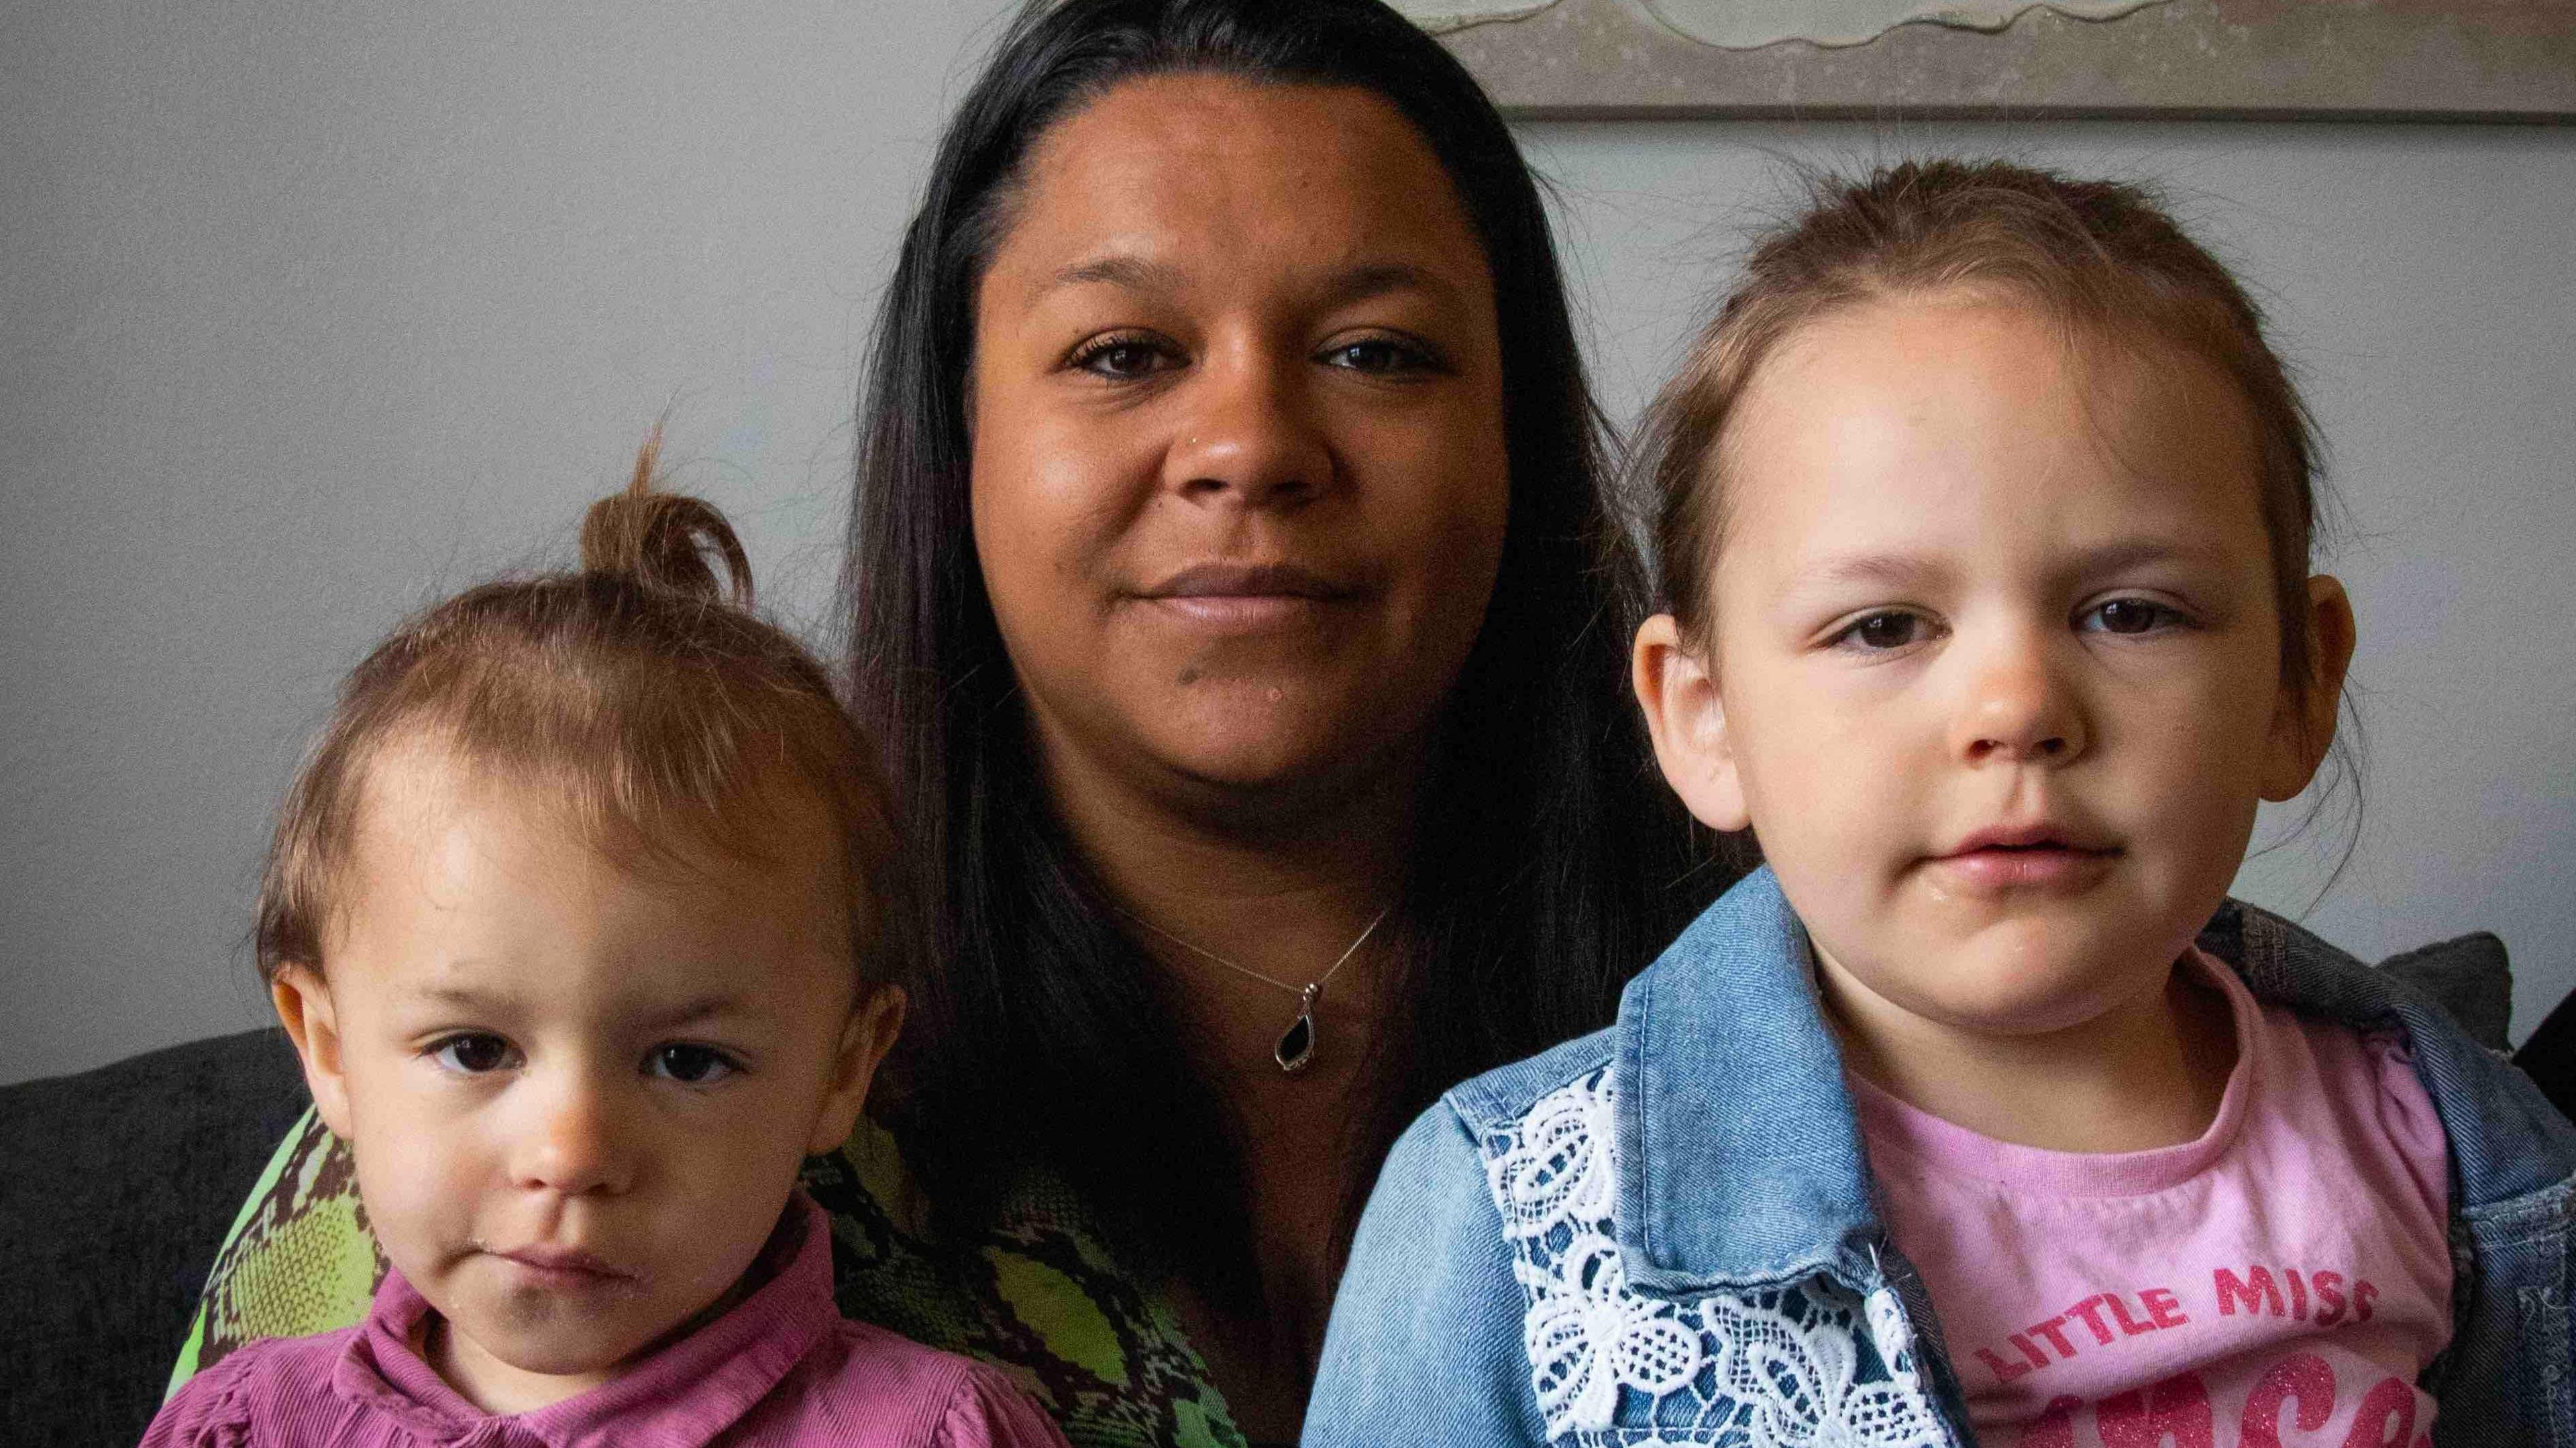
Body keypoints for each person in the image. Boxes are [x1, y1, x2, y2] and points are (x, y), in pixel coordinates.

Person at [168, 3, 1711, 1444]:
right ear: (959, 433)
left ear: (1514, 432)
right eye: (1124, 354)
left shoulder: (1813, 1011)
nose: (1249, 445)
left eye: (1375, 352)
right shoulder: (530, 1098)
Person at [1307, 160, 2576, 1446]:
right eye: (1882, 626)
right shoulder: (1509, 1214)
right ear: (1703, 715)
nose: (2016, 707)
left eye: (2128, 612)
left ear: (2298, 684)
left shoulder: (2445, 1145)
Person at [142, 450, 1069, 1447]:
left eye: (687, 1061)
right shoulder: (244, 1428)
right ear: (327, 1047)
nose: (572, 1156)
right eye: (474, 1048)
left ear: (845, 1066)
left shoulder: (932, 1435)